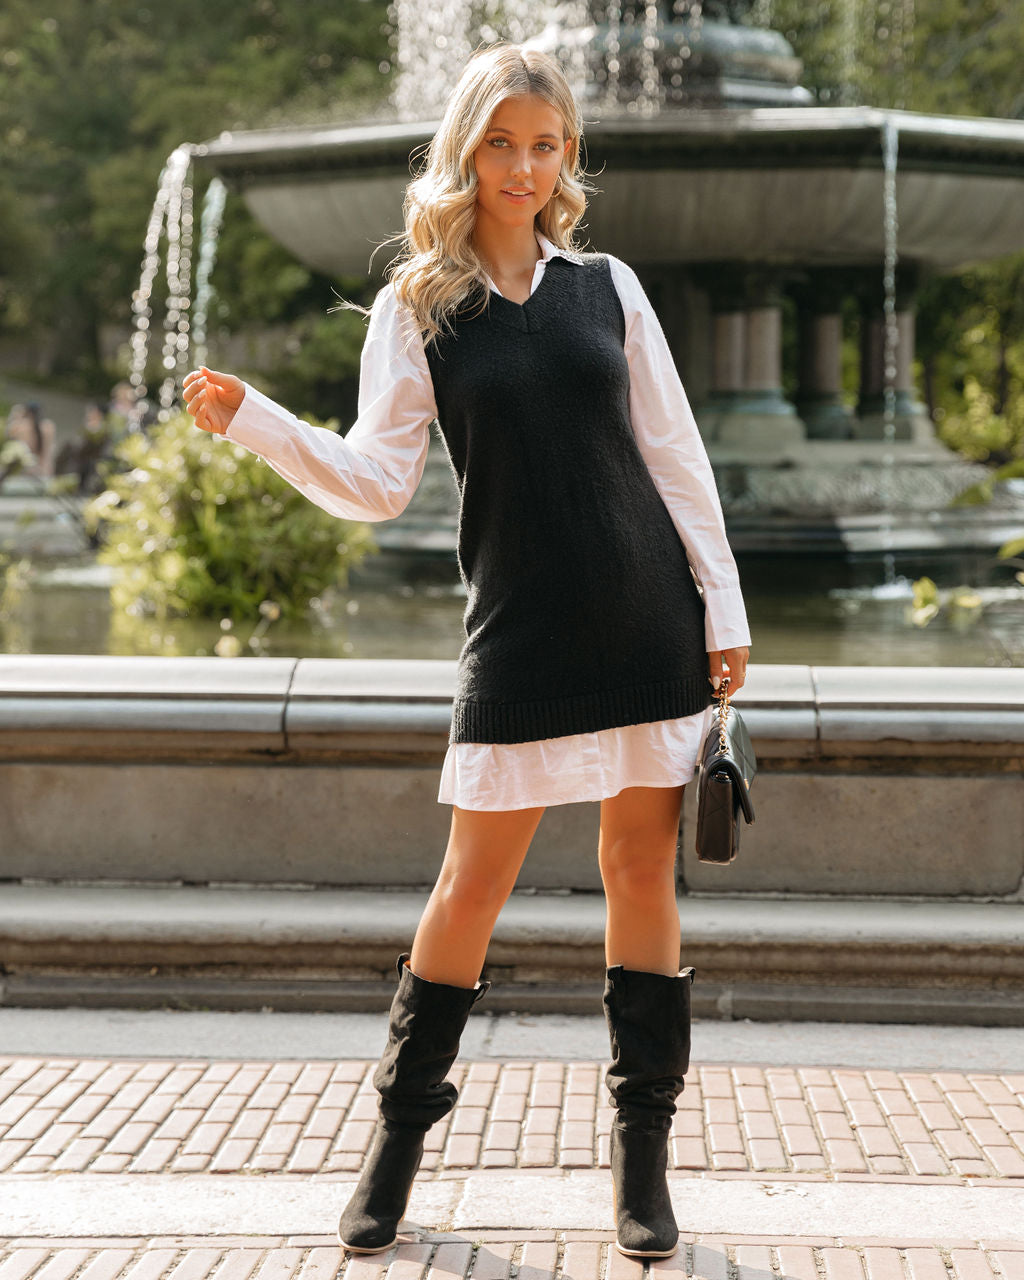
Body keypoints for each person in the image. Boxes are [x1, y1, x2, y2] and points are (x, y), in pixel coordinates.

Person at [182, 42, 750, 1260]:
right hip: (519, 633)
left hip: (646, 617)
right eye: (501, 142)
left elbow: (675, 455)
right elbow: (377, 480)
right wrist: (259, 424)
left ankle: (642, 1170)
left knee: (639, 873)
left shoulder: (608, 286)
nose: (523, 167)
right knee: (466, 889)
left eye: (544, 145)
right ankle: (392, 1149)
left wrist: (726, 611)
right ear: (466, 148)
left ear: (567, 156)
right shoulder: (419, 307)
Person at [5, 402, 57, 479]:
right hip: (44, 470)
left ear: (27, 412)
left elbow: (7, 435)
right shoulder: (48, 426)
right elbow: (48, 453)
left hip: (23, 470)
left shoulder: (20, 426)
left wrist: (15, 414)